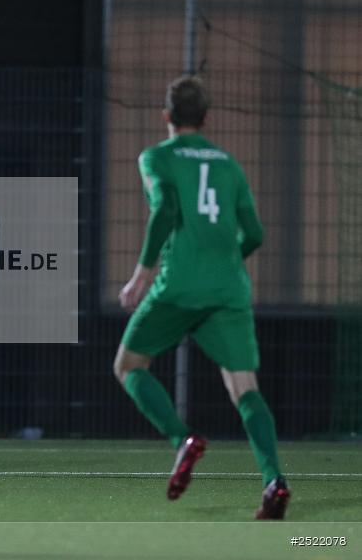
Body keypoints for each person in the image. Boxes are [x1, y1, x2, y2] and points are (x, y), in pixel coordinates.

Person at [114, 76, 289, 519]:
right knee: (244, 388)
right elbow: (255, 233)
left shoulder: (156, 156)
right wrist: (227, 263)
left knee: (129, 364)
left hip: (178, 285)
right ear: (206, 118)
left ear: (167, 116)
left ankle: (182, 439)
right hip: (228, 289)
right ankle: (274, 481)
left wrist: (141, 275)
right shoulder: (229, 164)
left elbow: (166, 209)